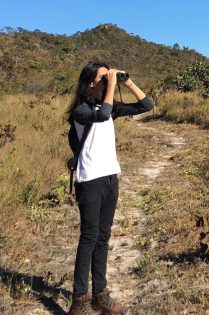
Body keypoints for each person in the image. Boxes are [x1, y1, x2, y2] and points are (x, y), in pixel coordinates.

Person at [66, 61, 153, 315]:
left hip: (110, 178)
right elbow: (102, 115)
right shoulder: (81, 111)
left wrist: (126, 82)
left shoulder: (108, 107)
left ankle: (99, 296)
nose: (107, 82)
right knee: (89, 239)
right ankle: (78, 301)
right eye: (102, 78)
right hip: (90, 180)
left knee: (103, 238)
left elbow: (147, 105)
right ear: (90, 83)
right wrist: (112, 84)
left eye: (107, 78)